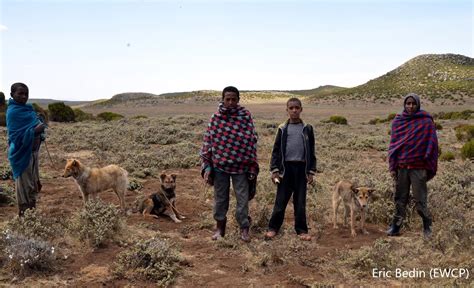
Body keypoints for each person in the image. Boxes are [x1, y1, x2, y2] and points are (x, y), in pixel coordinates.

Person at [200, 86, 258, 242]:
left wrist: (252, 165)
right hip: (220, 166)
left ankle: (244, 228)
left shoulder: (245, 116)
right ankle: (220, 227)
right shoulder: (216, 118)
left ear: (238, 100)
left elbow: (251, 141)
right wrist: (208, 165)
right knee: (220, 199)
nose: (231, 102)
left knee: (242, 199)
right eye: (228, 99)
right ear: (223, 100)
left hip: (242, 167)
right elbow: (208, 142)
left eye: (234, 99)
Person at [387, 93, 438, 239]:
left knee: (420, 198)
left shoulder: (426, 121)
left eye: (413, 104)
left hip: (418, 167)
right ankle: (396, 227)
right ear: (404, 104)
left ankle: (427, 226)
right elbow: (393, 146)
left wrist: (427, 159)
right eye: (408, 103)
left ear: (418, 104)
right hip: (402, 167)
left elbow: (432, 143)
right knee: (400, 198)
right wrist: (392, 167)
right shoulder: (398, 121)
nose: (410, 106)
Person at [265, 98, 316, 241]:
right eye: (291, 108)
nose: (294, 110)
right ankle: (273, 228)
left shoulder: (308, 128)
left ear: (301, 109)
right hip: (285, 169)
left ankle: (301, 230)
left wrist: (310, 171)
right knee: (280, 202)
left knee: (300, 202)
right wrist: (274, 170)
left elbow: (311, 151)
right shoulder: (282, 128)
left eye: (297, 108)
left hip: (301, 169)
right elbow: (276, 151)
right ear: (287, 110)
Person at [6, 82, 47, 216]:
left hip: (33, 153)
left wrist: (40, 130)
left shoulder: (28, 109)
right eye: (20, 93)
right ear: (12, 95)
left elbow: (34, 124)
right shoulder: (13, 112)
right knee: (24, 186)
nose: (24, 97)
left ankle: (31, 215)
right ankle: (24, 216)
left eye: (26, 94)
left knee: (33, 184)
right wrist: (36, 130)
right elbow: (16, 137)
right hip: (21, 154)